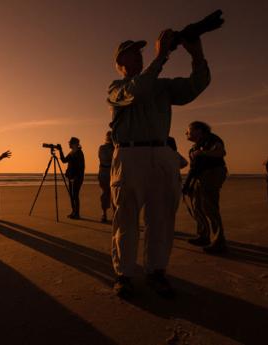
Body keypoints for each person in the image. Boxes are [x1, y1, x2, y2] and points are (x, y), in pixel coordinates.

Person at [107, 31, 211, 299]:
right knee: (126, 219)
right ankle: (125, 275)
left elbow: (196, 85)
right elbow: (136, 90)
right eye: (133, 51)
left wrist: (196, 54)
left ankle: (156, 271)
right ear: (121, 60)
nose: (139, 55)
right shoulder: (116, 87)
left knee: (162, 220)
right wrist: (162, 56)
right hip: (129, 156)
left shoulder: (162, 86)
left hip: (161, 153)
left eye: (141, 52)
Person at [183, 121, 227, 254]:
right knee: (197, 206)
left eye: (189, 130)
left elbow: (220, 152)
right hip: (199, 177)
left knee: (210, 207)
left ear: (199, 130)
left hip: (212, 173)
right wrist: (187, 184)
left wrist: (202, 153)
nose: (186, 133)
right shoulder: (194, 147)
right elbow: (193, 168)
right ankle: (203, 235)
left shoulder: (212, 138)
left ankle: (219, 241)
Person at [59, 137, 85, 219]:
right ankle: (73, 212)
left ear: (75, 144)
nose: (69, 144)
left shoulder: (79, 153)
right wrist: (60, 150)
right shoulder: (71, 152)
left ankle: (77, 213)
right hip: (71, 177)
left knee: (75, 195)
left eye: (70, 143)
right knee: (72, 195)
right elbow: (64, 160)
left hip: (77, 178)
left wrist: (75, 177)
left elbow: (81, 167)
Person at [98, 131, 114, 223]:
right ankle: (104, 213)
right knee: (104, 194)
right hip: (104, 173)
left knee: (113, 194)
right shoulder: (102, 148)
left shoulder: (116, 148)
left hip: (111, 172)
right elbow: (105, 160)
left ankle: (113, 214)